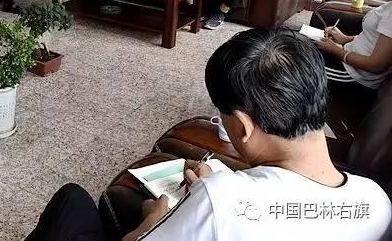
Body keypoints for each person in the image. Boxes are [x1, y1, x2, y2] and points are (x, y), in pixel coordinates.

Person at [26, 28, 392, 241]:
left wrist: (154, 218)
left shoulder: (222, 202)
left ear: (243, 127)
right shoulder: (376, 201)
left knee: (72, 201)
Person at [316, 0, 392, 93]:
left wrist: (335, 50)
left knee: (290, 64)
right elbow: (374, 39)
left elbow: (376, 65)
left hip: (353, 75)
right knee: (293, 45)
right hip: (348, 58)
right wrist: (345, 39)